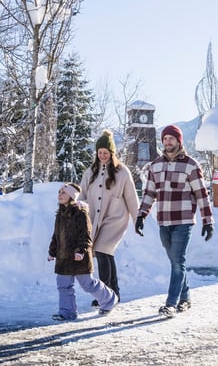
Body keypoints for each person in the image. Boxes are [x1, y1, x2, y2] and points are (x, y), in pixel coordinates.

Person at [134, 124, 214, 318]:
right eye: (165, 139)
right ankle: (185, 298)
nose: (167, 142)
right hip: (164, 221)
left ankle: (170, 304)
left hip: (184, 220)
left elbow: (201, 194)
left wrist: (207, 220)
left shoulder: (190, 165)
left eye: (171, 138)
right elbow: (149, 193)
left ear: (179, 141)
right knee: (176, 261)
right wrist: (141, 215)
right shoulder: (155, 166)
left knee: (178, 261)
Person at [78, 129, 139, 307]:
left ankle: (105, 295)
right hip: (95, 219)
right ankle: (114, 293)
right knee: (105, 254)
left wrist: (138, 220)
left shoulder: (122, 172)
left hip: (115, 219)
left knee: (103, 250)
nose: (103, 156)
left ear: (112, 153)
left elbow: (132, 198)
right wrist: (78, 212)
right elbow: (81, 195)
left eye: (106, 153)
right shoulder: (90, 172)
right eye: (100, 153)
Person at [47, 183, 118, 321]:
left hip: (79, 257)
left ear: (72, 196)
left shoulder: (80, 212)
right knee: (63, 285)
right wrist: (52, 251)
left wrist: (81, 250)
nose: (60, 195)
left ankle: (110, 299)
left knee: (88, 284)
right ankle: (67, 313)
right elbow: (56, 235)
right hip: (63, 258)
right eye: (59, 192)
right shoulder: (60, 214)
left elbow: (86, 235)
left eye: (63, 192)